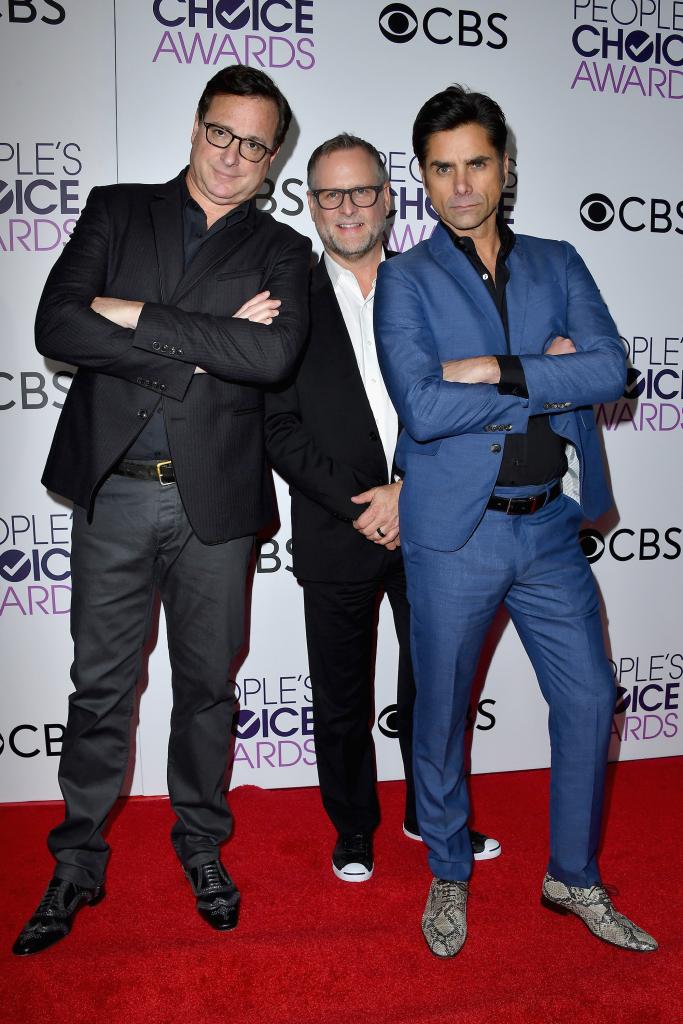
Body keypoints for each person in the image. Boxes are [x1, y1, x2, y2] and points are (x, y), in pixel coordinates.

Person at [12, 66, 311, 957]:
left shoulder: (282, 249)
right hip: (117, 489)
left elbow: (270, 357)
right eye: (223, 133)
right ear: (194, 127)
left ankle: (201, 845)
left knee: (208, 691)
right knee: (101, 686)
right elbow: (56, 325)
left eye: (255, 145)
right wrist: (194, 343)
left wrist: (136, 313)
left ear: (272, 160)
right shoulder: (115, 208)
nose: (233, 157)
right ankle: (75, 860)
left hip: (214, 502)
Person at [373, 85, 658, 957]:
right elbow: (420, 408)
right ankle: (449, 872)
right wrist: (542, 374)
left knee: (588, 697)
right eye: (442, 168)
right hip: (453, 534)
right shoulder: (404, 278)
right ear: (423, 177)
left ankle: (570, 874)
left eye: (477, 164)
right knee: (441, 716)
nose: (462, 185)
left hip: (546, 529)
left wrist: (491, 370)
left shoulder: (558, 261)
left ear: (504, 167)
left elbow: (609, 370)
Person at [264, 134, 499, 883]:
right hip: (336, 527)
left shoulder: (432, 283)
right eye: (331, 194)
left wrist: (410, 491)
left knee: (435, 683)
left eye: (361, 190)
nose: (348, 208)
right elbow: (275, 425)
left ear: (388, 197)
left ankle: (430, 812)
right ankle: (354, 827)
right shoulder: (285, 298)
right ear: (310, 205)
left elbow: (470, 397)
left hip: (435, 518)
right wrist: (356, 503)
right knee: (340, 694)